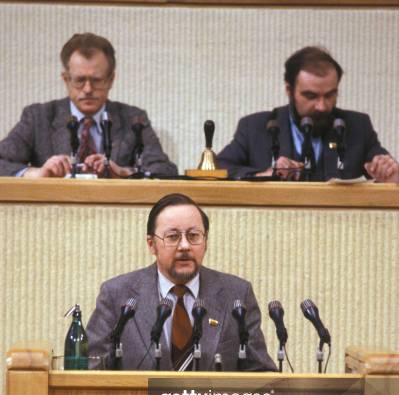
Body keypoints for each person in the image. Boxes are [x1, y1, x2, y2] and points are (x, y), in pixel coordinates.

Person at [86, 193, 276, 372]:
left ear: (206, 241)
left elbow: (261, 376)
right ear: (151, 244)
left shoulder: (236, 294)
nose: (184, 246)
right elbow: (90, 372)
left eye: (193, 236)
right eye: (173, 237)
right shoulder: (117, 295)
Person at [0, 32, 177, 178]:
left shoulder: (133, 119)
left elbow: (166, 171)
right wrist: (36, 173)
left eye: (96, 80)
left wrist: (126, 173)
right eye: (79, 80)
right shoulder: (39, 117)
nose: (88, 89)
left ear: (111, 80)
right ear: (66, 79)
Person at [217, 46, 393, 182]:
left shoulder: (357, 126)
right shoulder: (255, 127)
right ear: (289, 90)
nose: (322, 106)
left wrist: (389, 171)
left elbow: (388, 172)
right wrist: (266, 174)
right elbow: (217, 170)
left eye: (330, 95)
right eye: (310, 96)